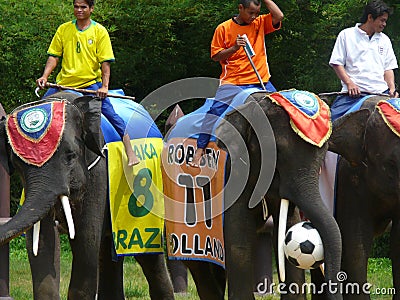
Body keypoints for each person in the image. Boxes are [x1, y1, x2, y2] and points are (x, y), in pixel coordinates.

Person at [36, 0, 139, 166]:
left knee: (111, 115)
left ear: (91, 9)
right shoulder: (64, 29)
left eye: (83, 7)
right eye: (76, 6)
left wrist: (104, 87)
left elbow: (105, 63)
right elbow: (54, 56)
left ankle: (130, 151)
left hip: (90, 85)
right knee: (38, 111)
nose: (79, 10)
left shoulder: (99, 31)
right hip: (63, 84)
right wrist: (45, 76)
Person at [189, 0, 283, 167]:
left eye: (256, 12)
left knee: (283, 107)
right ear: (240, 8)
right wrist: (233, 48)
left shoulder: (260, 22)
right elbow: (215, 56)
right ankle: (200, 149)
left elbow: (279, 16)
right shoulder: (224, 28)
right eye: (250, 13)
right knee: (214, 111)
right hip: (233, 81)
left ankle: (284, 151)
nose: (253, 16)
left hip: (260, 78)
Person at [329, 0, 398, 121]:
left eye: (385, 21)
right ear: (370, 17)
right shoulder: (346, 35)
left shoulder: (385, 40)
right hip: (352, 95)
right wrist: (349, 83)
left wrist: (392, 88)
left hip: (381, 93)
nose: (384, 24)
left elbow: (388, 68)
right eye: (382, 20)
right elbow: (337, 63)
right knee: (331, 125)